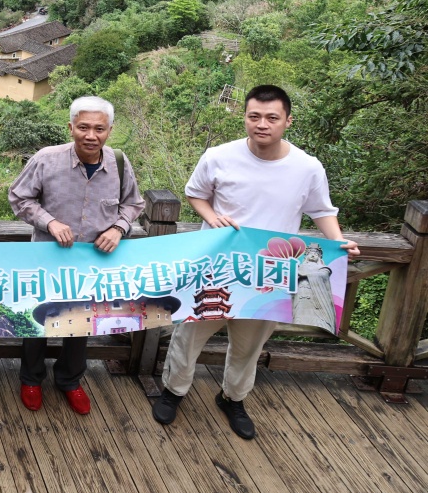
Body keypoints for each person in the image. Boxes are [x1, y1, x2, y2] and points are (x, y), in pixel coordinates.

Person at [153, 85, 359, 439]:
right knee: (190, 334)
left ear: (287, 121)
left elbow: (322, 210)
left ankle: (233, 397)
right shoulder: (219, 156)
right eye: (254, 116)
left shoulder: (307, 167)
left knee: (250, 344)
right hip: (216, 265)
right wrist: (211, 215)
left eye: (271, 118)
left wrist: (339, 243)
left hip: (272, 272)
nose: (262, 124)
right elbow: (195, 193)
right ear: (245, 117)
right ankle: (174, 390)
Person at [9, 96, 145, 415]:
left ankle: (69, 380)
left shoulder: (120, 164)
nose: (91, 135)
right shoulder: (46, 159)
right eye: (83, 127)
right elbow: (18, 197)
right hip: (47, 258)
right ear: (71, 127)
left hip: (93, 263)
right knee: (37, 319)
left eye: (99, 128)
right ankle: (31, 378)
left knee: (82, 324)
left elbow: (134, 204)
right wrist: (50, 221)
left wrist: (119, 229)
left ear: (110, 130)